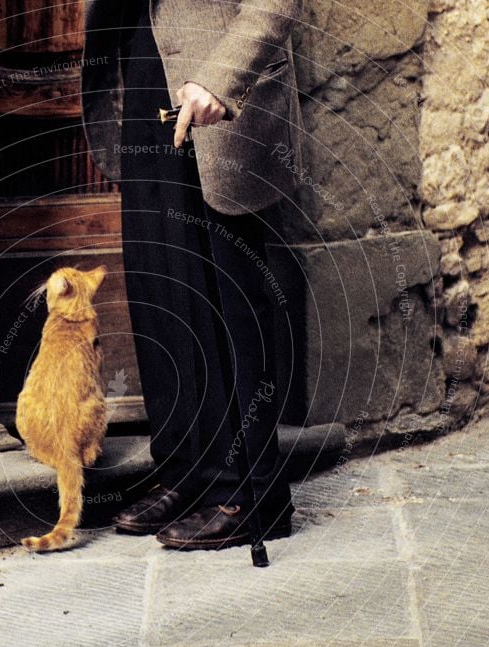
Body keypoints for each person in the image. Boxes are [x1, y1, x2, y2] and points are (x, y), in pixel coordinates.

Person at [81, 0, 304, 550]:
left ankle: (252, 492)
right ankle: (187, 472)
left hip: (216, 88)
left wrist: (220, 80)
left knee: (228, 290)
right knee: (161, 281)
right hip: (143, 67)